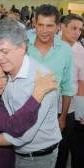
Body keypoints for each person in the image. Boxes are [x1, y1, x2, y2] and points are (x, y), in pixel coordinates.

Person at [0, 19, 62, 168]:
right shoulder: (4, 69)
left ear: (21, 48)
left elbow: (22, 135)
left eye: (4, 51)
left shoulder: (42, 81)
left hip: (36, 157)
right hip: (11, 154)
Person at [26, 5, 74, 167]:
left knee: (48, 157)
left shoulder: (66, 50)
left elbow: (67, 86)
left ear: (58, 27)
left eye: (50, 25)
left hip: (51, 117)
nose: (44, 30)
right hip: (22, 113)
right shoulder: (23, 45)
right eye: (40, 25)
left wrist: (63, 117)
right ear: (34, 24)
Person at [60, 13, 84, 168]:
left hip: (73, 110)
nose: (77, 33)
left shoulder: (81, 51)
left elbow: (82, 83)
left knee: (77, 151)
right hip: (51, 108)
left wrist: (81, 114)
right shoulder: (52, 46)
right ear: (62, 27)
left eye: (80, 29)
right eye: (73, 28)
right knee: (59, 152)